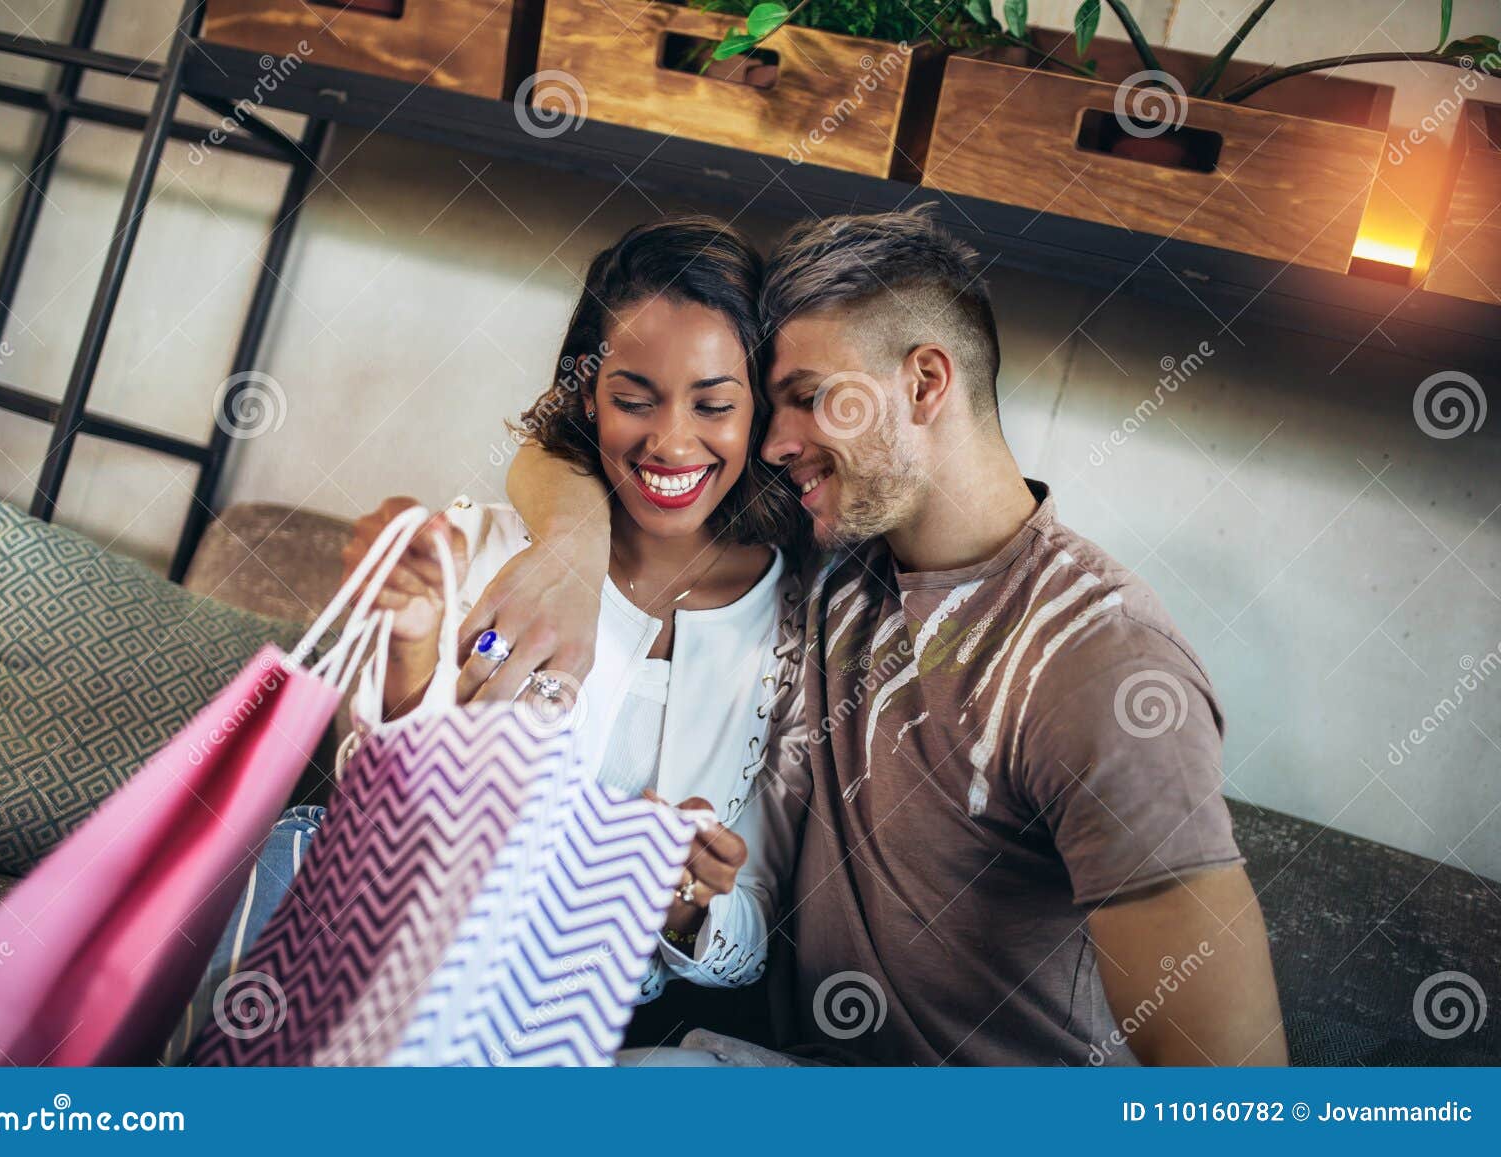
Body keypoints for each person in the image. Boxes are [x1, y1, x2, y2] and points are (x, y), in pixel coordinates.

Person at [464, 206, 1289, 1066]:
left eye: (811, 400)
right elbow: (562, 449)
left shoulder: (1098, 663)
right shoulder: (834, 563)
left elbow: (1236, 1083)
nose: (776, 445)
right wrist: (569, 543)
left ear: (926, 383)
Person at [340, 216, 814, 1003]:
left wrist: (685, 904)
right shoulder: (479, 548)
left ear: (758, 412)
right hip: (396, 992)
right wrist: (409, 652)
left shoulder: (792, 631)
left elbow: (752, 937)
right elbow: (364, 823)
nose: (671, 441)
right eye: (634, 398)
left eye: (713, 406)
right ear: (587, 397)